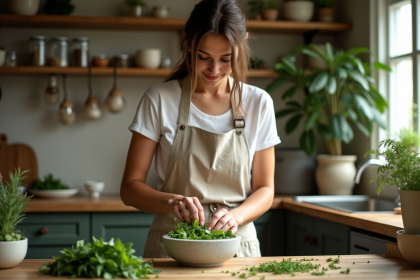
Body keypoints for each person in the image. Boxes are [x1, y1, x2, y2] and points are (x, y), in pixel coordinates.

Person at [120, 0, 281, 258]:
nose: (214, 70)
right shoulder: (159, 99)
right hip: (172, 246)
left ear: (243, 44)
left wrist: (235, 217)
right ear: (188, 44)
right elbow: (129, 188)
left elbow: (265, 190)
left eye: (226, 59)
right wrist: (172, 202)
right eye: (203, 57)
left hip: (238, 248)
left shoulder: (259, 102)